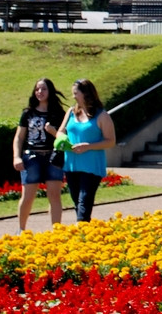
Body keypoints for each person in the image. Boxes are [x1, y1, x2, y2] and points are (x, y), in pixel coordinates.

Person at [12, 78, 65, 231]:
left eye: (43, 89)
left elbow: (64, 137)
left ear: (50, 91)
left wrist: (53, 131)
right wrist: (17, 156)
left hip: (52, 157)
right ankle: (21, 229)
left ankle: (56, 230)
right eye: (37, 89)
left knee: (54, 195)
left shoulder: (58, 113)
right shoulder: (28, 113)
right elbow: (19, 137)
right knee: (28, 196)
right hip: (32, 157)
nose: (40, 92)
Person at [60, 78, 116, 222]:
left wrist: (88, 146)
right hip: (71, 164)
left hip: (91, 165)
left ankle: (81, 230)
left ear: (86, 94)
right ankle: (86, 232)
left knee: (84, 200)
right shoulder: (71, 112)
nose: (73, 97)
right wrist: (59, 137)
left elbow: (111, 141)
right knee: (77, 202)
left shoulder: (102, 115)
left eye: (76, 93)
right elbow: (61, 132)